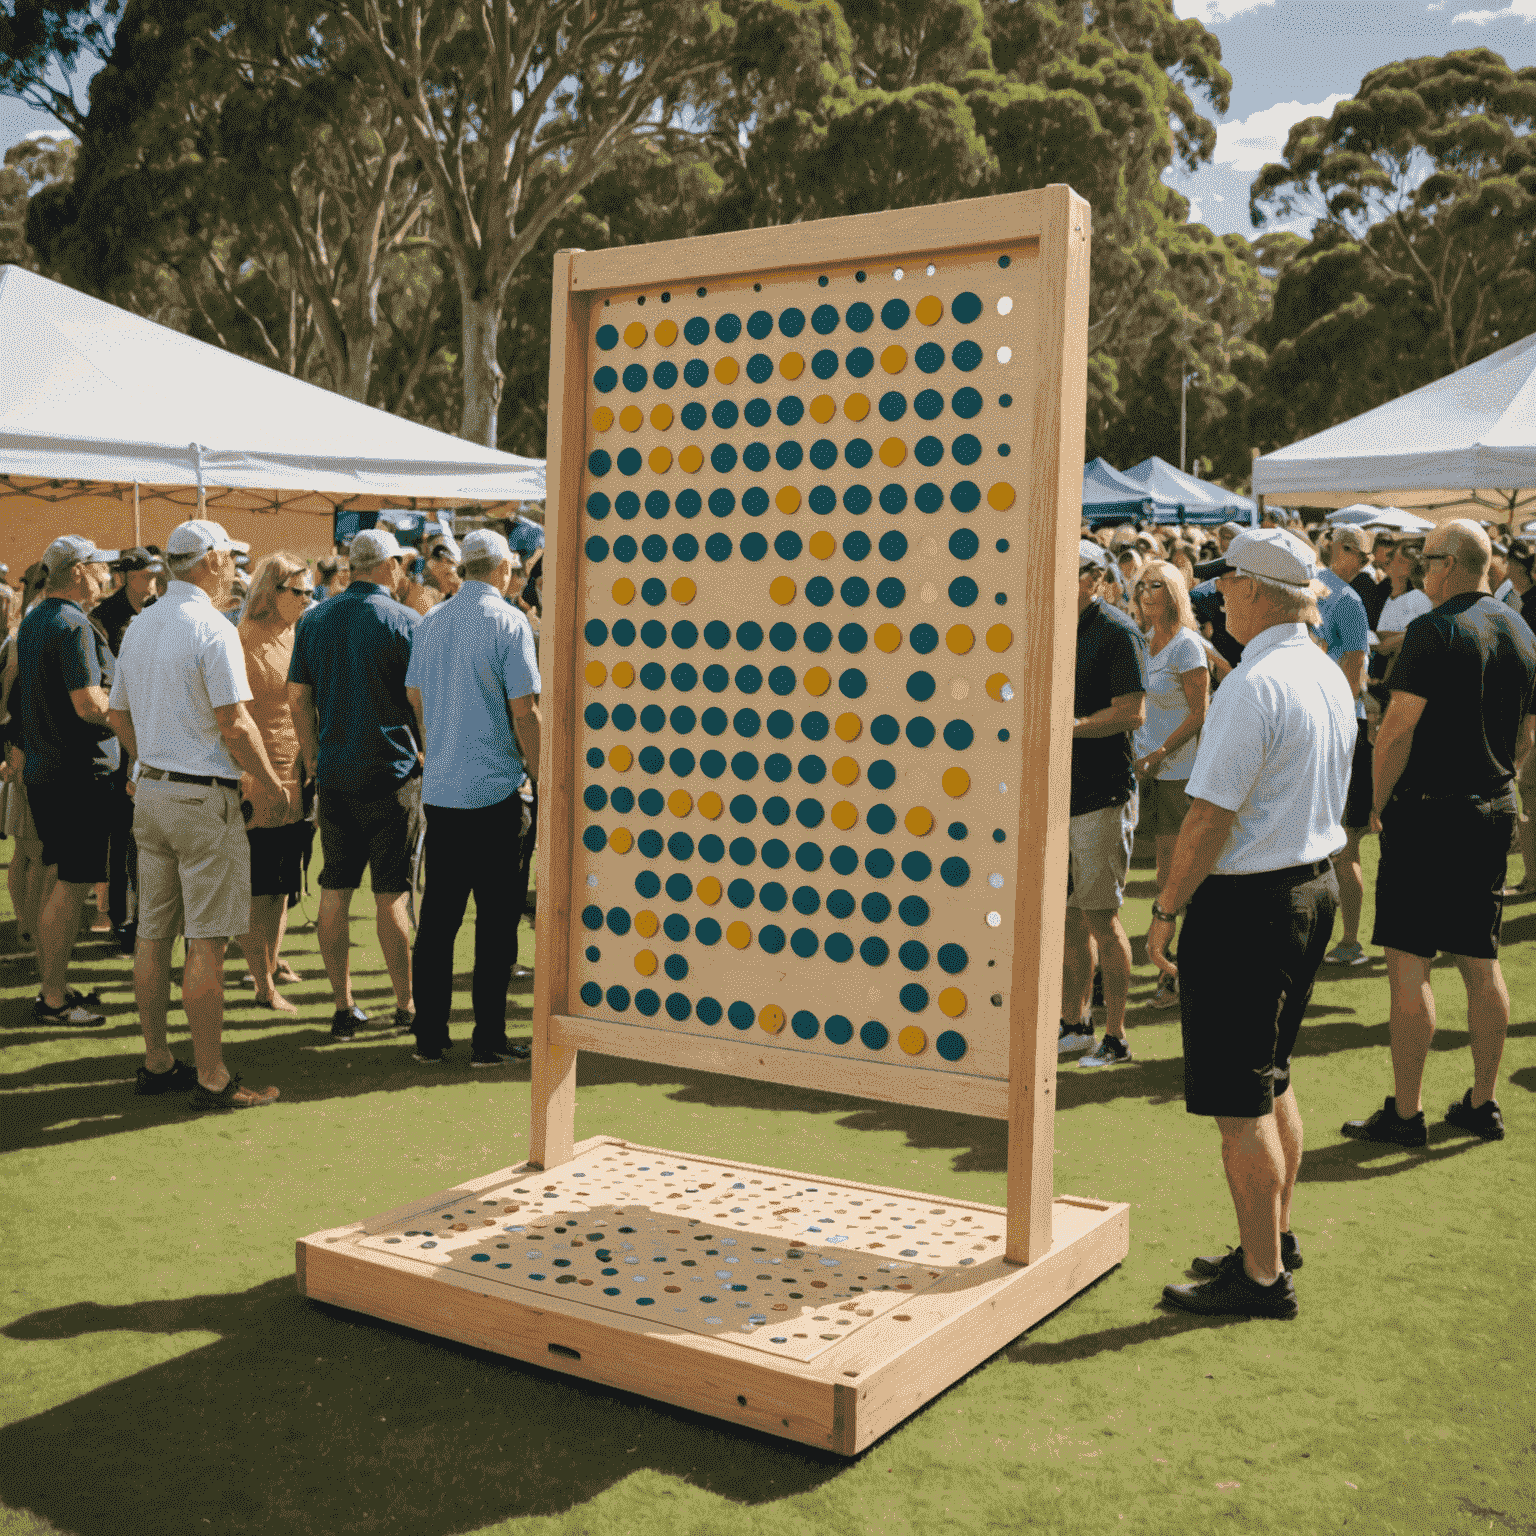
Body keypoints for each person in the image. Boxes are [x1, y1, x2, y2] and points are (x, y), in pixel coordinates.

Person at [1149, 529, 1355, 1320]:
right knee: (1271, 1082)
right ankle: (1272, 1240)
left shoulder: (1257, 682)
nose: (1217, 594)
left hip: (1254, 904)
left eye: (1228, 582)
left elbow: (1207, 819)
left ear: (1259, 592)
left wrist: (1165, 910)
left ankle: (1262, 1277)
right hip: (1308, 888)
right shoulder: (1322, 672)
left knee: (1242, 1103)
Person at [1343, 520, 1536, 1147]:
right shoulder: (1521, 630)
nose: (1417, 569)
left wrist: (1371, 805)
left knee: (1409, 963)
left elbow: (1397, 730)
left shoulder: (1435, 629)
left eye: (1424, 559)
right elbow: (1526, 737)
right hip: (1490, 808)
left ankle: (1406, 1112)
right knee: (1481, 960)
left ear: (1450, 564)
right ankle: (1483, 1102)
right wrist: (1509, 790)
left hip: (1429, 816)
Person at [108, 519, 286, 1109]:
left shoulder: (141, 625)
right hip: (199, 797)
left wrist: (153, 761)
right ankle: (211, 1075)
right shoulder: (212, 626)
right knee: (206, 941)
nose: (236, 566)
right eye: (230, 557)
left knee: (154, 936)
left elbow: (119, 716)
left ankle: (159, 1060)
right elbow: (235, 722)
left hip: (154, 792)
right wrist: (270, 782)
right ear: (209, 560)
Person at [405, 529, 540, 1064]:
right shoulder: (508, 621)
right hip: (494, 792)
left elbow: (415, 693)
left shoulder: (434, 619)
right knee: (495, 921)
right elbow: (524, 711)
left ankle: (430, 1036)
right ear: (503, 568)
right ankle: (488, 1037)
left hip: (444, 790)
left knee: (438, 922)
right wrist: (540, 770)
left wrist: (437, 739)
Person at [288, 526, 420, 1040]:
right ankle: (406, 1004)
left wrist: (315, 761)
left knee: (336, 888)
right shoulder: (406, 620)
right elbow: (418, 700)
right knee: (392, 893)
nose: (403, 571)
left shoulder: (315, 618)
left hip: (337, 772)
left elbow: (298, 696)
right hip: (392, 774)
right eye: (399, 563)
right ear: (386, 564)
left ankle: (343, 1005)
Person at [10, 535, 121, 1025]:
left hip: (51, 771)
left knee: (59, 878)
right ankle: (53, 996)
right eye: (99, 567)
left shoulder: (35, 619)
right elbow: (88, 703)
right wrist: (133, 713)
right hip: (77, 775)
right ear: (77, 571)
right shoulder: (72, 624)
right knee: (70, 885)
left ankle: (54, 987)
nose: (106, 576)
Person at [1060, 540, 1148, 1067]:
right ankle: (1077, 1024)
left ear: (1094, 579)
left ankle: (1116, 1035)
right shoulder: (1054, 624)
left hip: (1101, 792)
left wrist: (1069, 728)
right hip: (1061, 793)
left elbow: (1132, 712)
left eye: (1069, 573)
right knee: (1068, 918)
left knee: (1100, 916)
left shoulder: (1118, 631)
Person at [233, 553, 313, 1012]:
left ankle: (271, 961)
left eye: (308, 592)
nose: (306, 600)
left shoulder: (297, 634)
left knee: (284, 881)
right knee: (259, 884)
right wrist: (252, 773)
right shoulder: (242, 639)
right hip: (260, 774)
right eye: (297, 591)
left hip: (296, 773)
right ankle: (261, 981)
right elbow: (233, 713)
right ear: (271, 591)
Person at [1130, 560, 1210, 1010]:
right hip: (1149, 774)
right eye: (1140, 585)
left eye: (1155, 585)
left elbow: (1199, 714)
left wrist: (1160, 752)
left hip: (1178, 774)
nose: (1145, 593)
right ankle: (1172, 968)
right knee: (1164, 875)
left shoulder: (1186, 646)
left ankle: (1182, 970)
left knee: (1178, 875)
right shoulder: (1145, 642)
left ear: (1174, 591)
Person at [92, 547, 164, 953]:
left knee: (146, 839)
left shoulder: (155, 611)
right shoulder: (103, 620)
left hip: (152, 731)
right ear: (126, 576)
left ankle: (145, 917)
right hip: (122, 736)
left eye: (153, 573)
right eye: (144, 574)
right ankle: (121, 918)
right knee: (122, 836)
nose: (151, 580)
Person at [1313, 526, 1373, 967]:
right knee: (1327, 839)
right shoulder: (1321, 590)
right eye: (1363, 554)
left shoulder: (1348, 601)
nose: (1368, 563)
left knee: (1344, 842)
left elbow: (1354, 673)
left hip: (1340, 728)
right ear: (1341, 550)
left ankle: (1350, 940)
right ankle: (1328, 936)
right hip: (1325, 725)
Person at [1351, 532, 1395, 629]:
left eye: (1391, 555)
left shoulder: (1388, 575)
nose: (1389, 559)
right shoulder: (1363, 576)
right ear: (1375, 552)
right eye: (1387, 554)